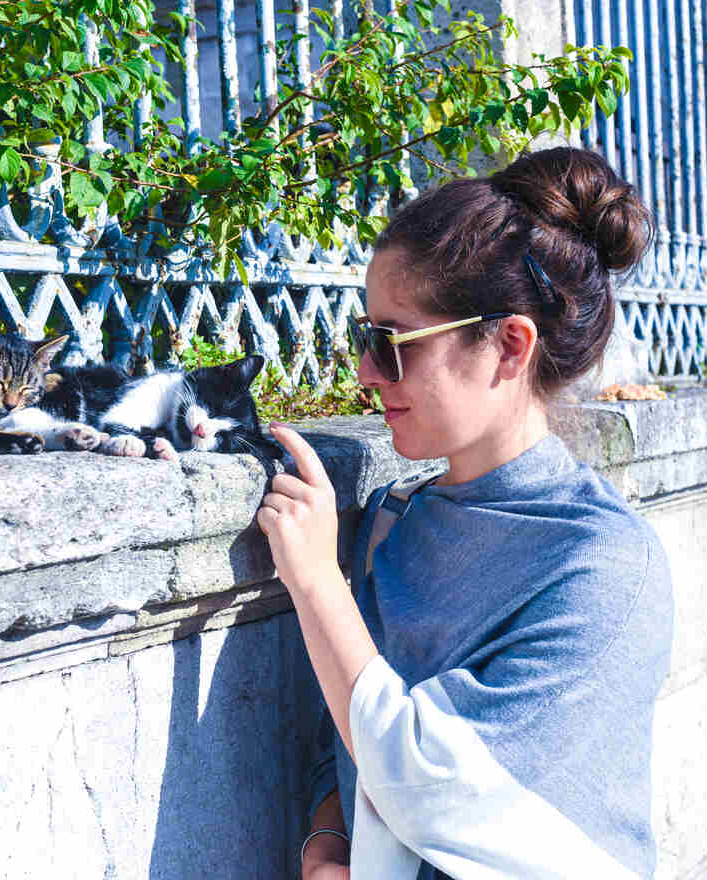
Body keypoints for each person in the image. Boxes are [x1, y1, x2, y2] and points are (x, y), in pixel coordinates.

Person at [256, 146, 674, 879]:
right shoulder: (394, 522)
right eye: (363, 338)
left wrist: (316, 582)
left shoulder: (604, 566)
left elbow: (433, 784)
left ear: (509, 346)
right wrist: (328, 838)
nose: (363, 372)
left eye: (391, 343)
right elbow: (349, 731)